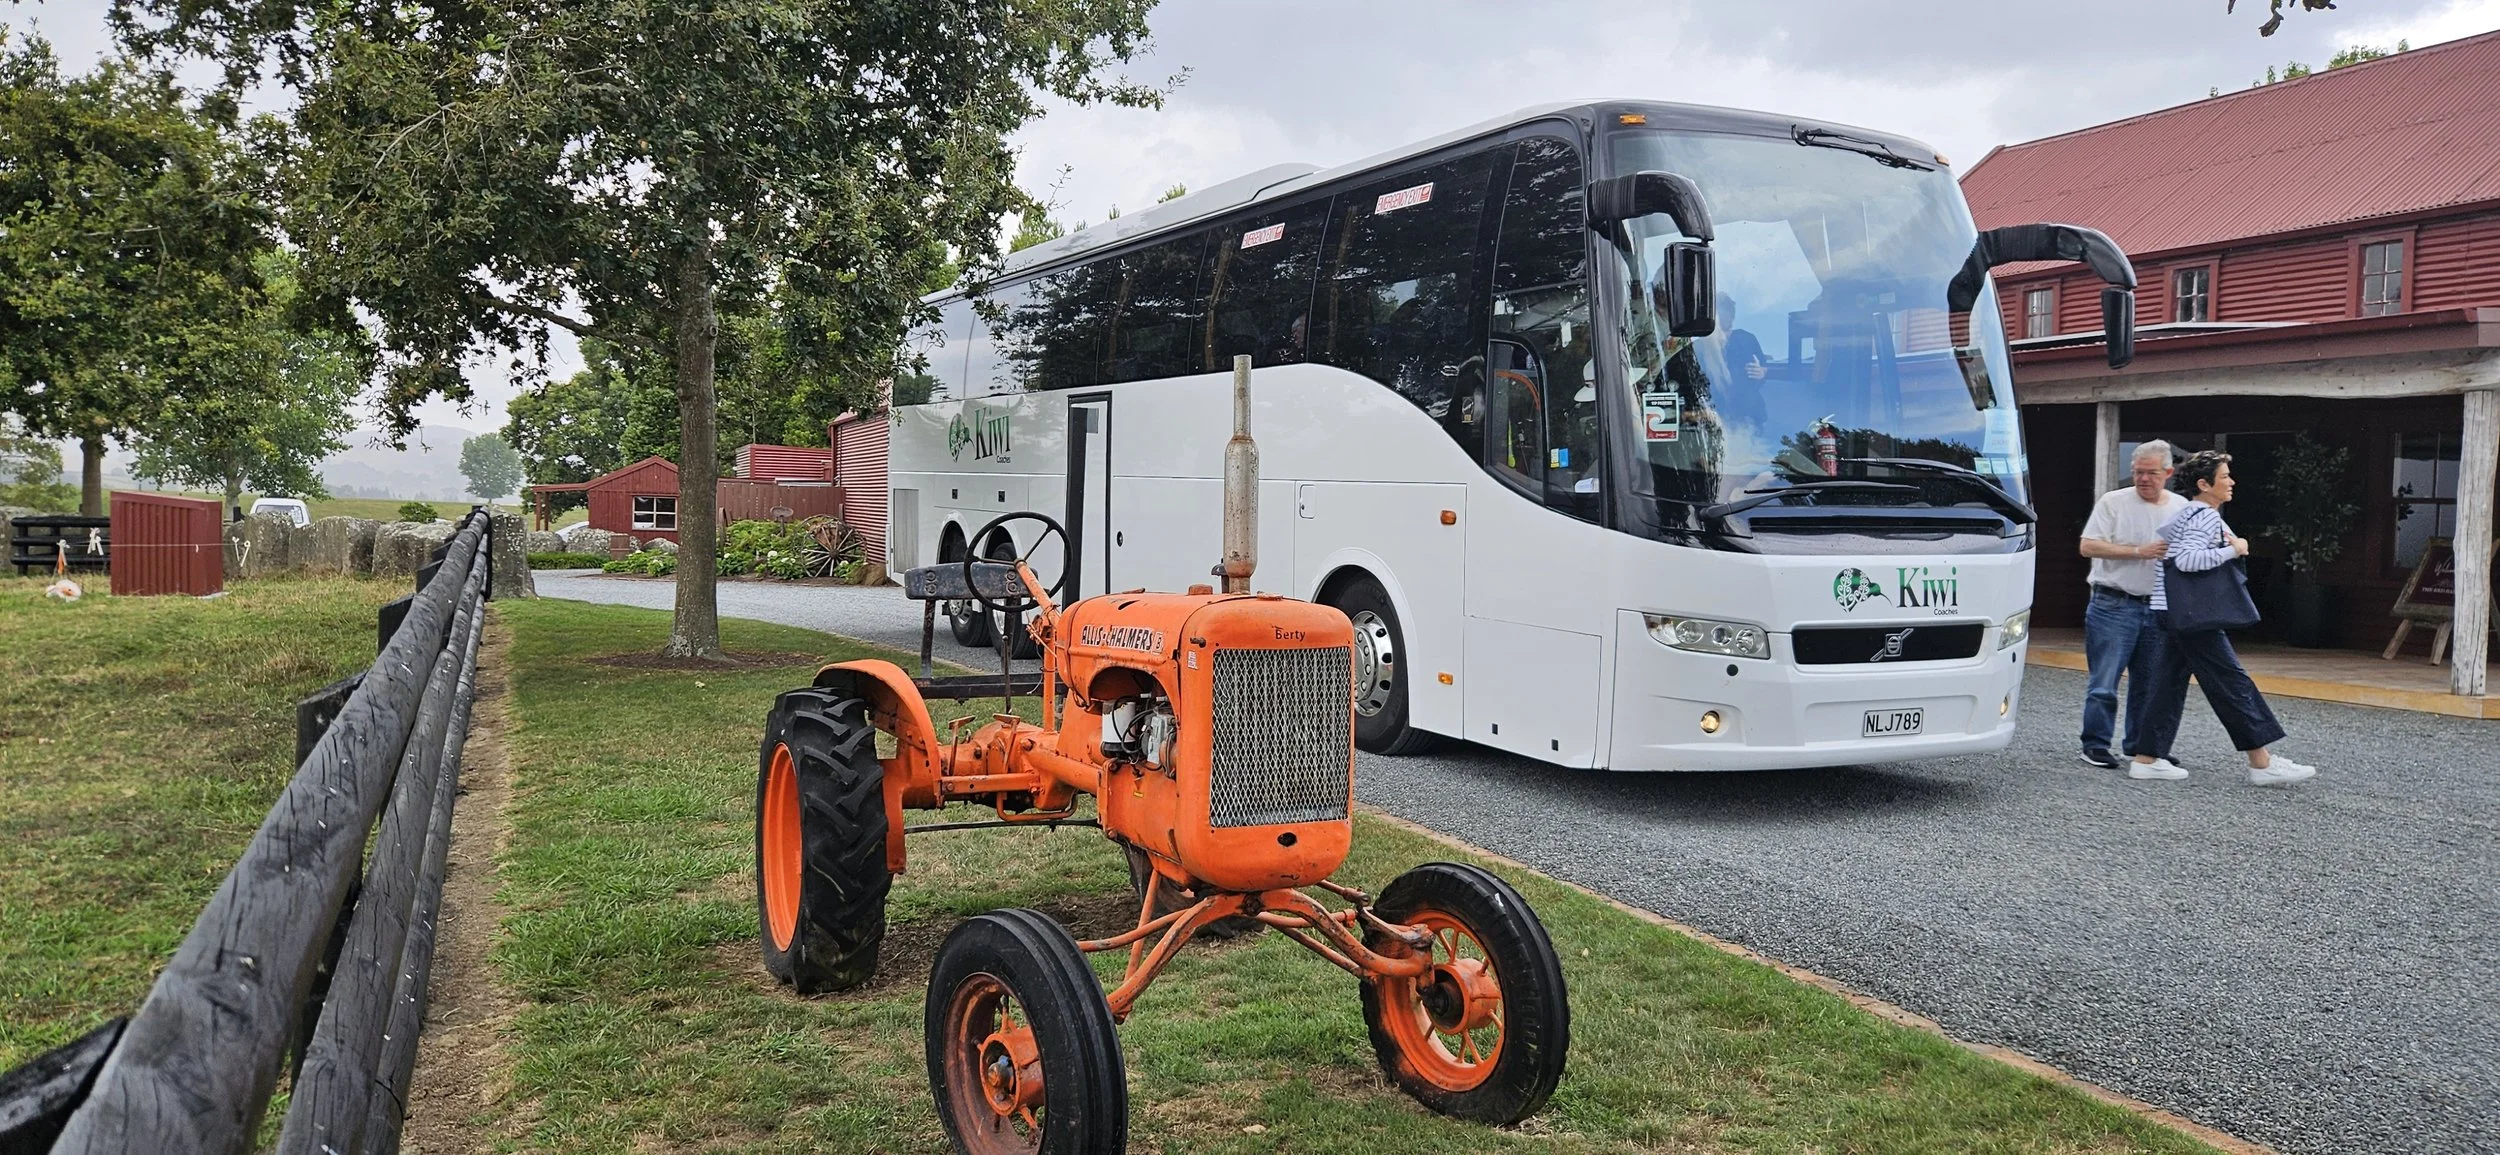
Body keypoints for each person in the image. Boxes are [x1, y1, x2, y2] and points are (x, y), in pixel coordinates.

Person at [2127, 450, 2320, 785]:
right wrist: (2235, 549)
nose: (2232, 482)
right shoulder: (2204, 517)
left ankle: (2146, 758)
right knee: (2232, 682)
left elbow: (2165, 547)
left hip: (2168, 611)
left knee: (2167, 685)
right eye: (2225, 476)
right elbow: (2186, 560)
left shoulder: (2186, 513)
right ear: (2204, 484)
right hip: (2192, 615)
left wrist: (2233, 542)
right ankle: (2262, 763)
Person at [2074, 441, 2188, 774]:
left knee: (2150, 683)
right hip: (2113, 602)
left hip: (2158, 606)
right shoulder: (2113, 502)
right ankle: (2095, 745)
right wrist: (2139, 551)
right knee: (2104, 681)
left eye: (2151, 473)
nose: (2143, 479)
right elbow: (2088, 546)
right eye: (2138, 472)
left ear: (2168, 473)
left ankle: (2141, 746)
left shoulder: (2180, 507)